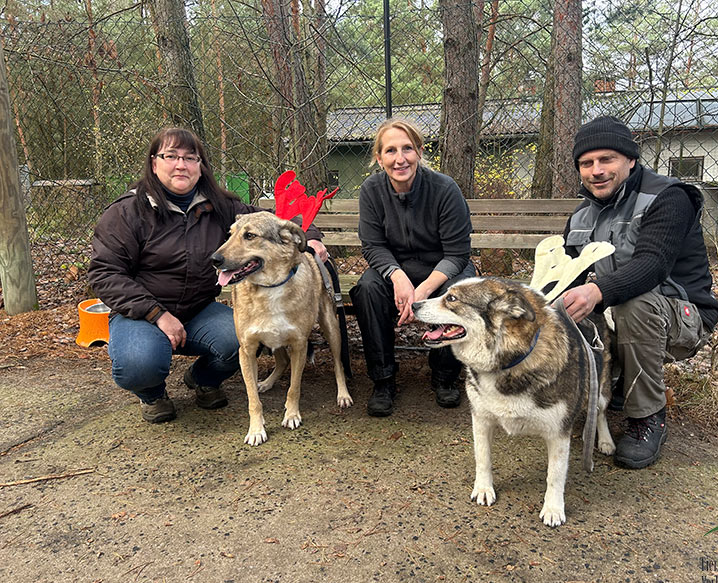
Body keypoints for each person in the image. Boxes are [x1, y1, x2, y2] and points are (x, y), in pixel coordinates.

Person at [88, 127, 328, 424]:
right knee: (138, 362)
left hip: (198, 310)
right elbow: (104, 273)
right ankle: (152, 395)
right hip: (141, 314)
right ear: (154, 163)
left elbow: (274, 221)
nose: (181, 165)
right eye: (170, 156)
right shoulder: (127, 212)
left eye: (190, 158)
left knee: (240, 341)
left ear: (200, 166)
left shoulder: (220, 205)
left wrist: (311, 236)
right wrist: (156, 314)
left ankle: (203, 379)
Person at [561, 116, 718, 468]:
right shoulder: (581, 216)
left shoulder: (668, 198)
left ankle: (648, 417)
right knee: (566, 309)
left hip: (683, 317)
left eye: (607, 159)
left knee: (633, 303)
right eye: (586, 163)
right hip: (622, 311)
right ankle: (610, 388)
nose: (596, 171)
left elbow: (652, 266)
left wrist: (595, 292)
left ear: (631, 160)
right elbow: (567, 274)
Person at [351, 118, 475, 417]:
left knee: (457, 292)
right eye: (390, 150)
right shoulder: (371, 190)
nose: (400, 159)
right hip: (395, 268)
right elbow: (373, 245)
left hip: (443, 268)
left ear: (419, 151)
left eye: (407, 148)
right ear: (379, 158)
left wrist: (422, 292)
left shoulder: (444, 188)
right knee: (367, 289)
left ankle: (445, 376)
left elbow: (457, 253)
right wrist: (397, 277)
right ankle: (383, 380)